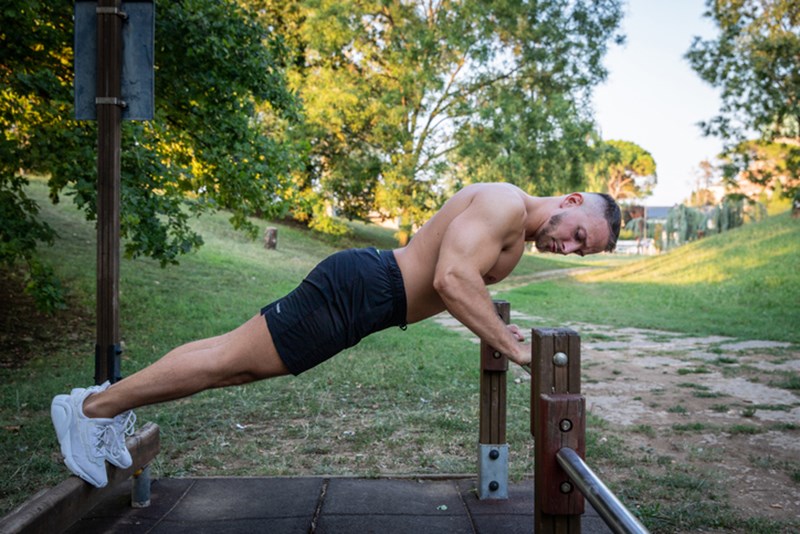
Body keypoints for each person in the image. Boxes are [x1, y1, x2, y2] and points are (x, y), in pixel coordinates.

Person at [51, 182, 620, 487]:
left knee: (231, 356)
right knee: (232, 362)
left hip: (367, 300)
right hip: (361, 290)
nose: (567, 247)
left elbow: (461, 284)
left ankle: (98, 405)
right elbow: (449, 278)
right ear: (571, 201)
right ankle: (94, 410)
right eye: (576, 234)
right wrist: (511, 346)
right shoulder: (502, 202)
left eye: (580, 250)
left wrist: (496, 327)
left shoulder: (518, 235)